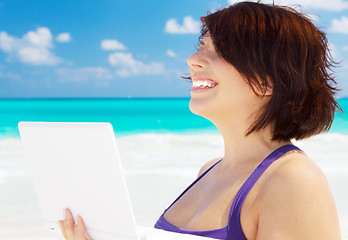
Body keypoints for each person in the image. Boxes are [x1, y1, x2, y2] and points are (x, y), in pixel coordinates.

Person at [59, 1, 342, 240]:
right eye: (202, 45)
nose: (192, 59)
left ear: (267, 81)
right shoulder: (209, 170)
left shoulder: (293, 181)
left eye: (219, 50)